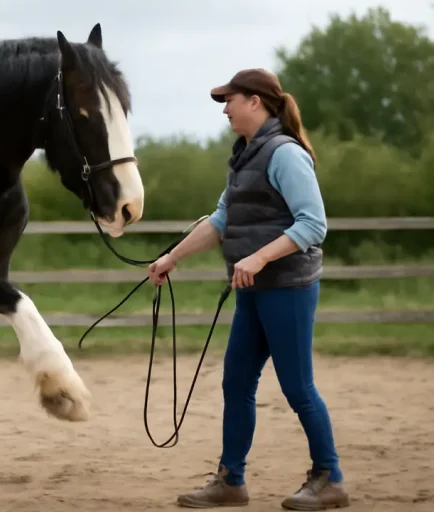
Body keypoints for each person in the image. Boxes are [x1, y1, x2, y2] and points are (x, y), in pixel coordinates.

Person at [147, 68, 350, 510]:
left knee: (297, 387)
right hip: (254, 291)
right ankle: (231, 481)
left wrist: (259, 257)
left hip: (287, 287)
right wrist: (171, 258)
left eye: (230, 100)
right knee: (236, 382)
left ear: (255, 102)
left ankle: (330, 477)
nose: (225, 109)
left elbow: (313, 224)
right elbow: (221, 220)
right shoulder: (244, 157)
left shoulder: (285, 154)